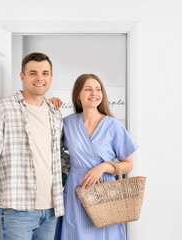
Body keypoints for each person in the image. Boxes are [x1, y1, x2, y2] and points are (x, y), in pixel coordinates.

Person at [0, 52, 65, 240]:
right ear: (22, 76)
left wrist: (101, 165)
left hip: (52, 210)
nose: (40, 78)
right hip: (17, 210)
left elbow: (59, 157)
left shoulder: (55, 114)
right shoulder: (4, 108)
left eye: (45, 73)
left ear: (51, 77)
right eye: (33, 73)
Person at [54, 74, 139, 240]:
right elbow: (52, 150)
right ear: (78, 94)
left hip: (106, 193)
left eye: (98, 89)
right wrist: (49, 106)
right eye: (88, 89)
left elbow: (129, 164)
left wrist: (104, 167)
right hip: (76, 191)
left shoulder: (113, 126)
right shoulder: (67, 124)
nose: (94, 93)